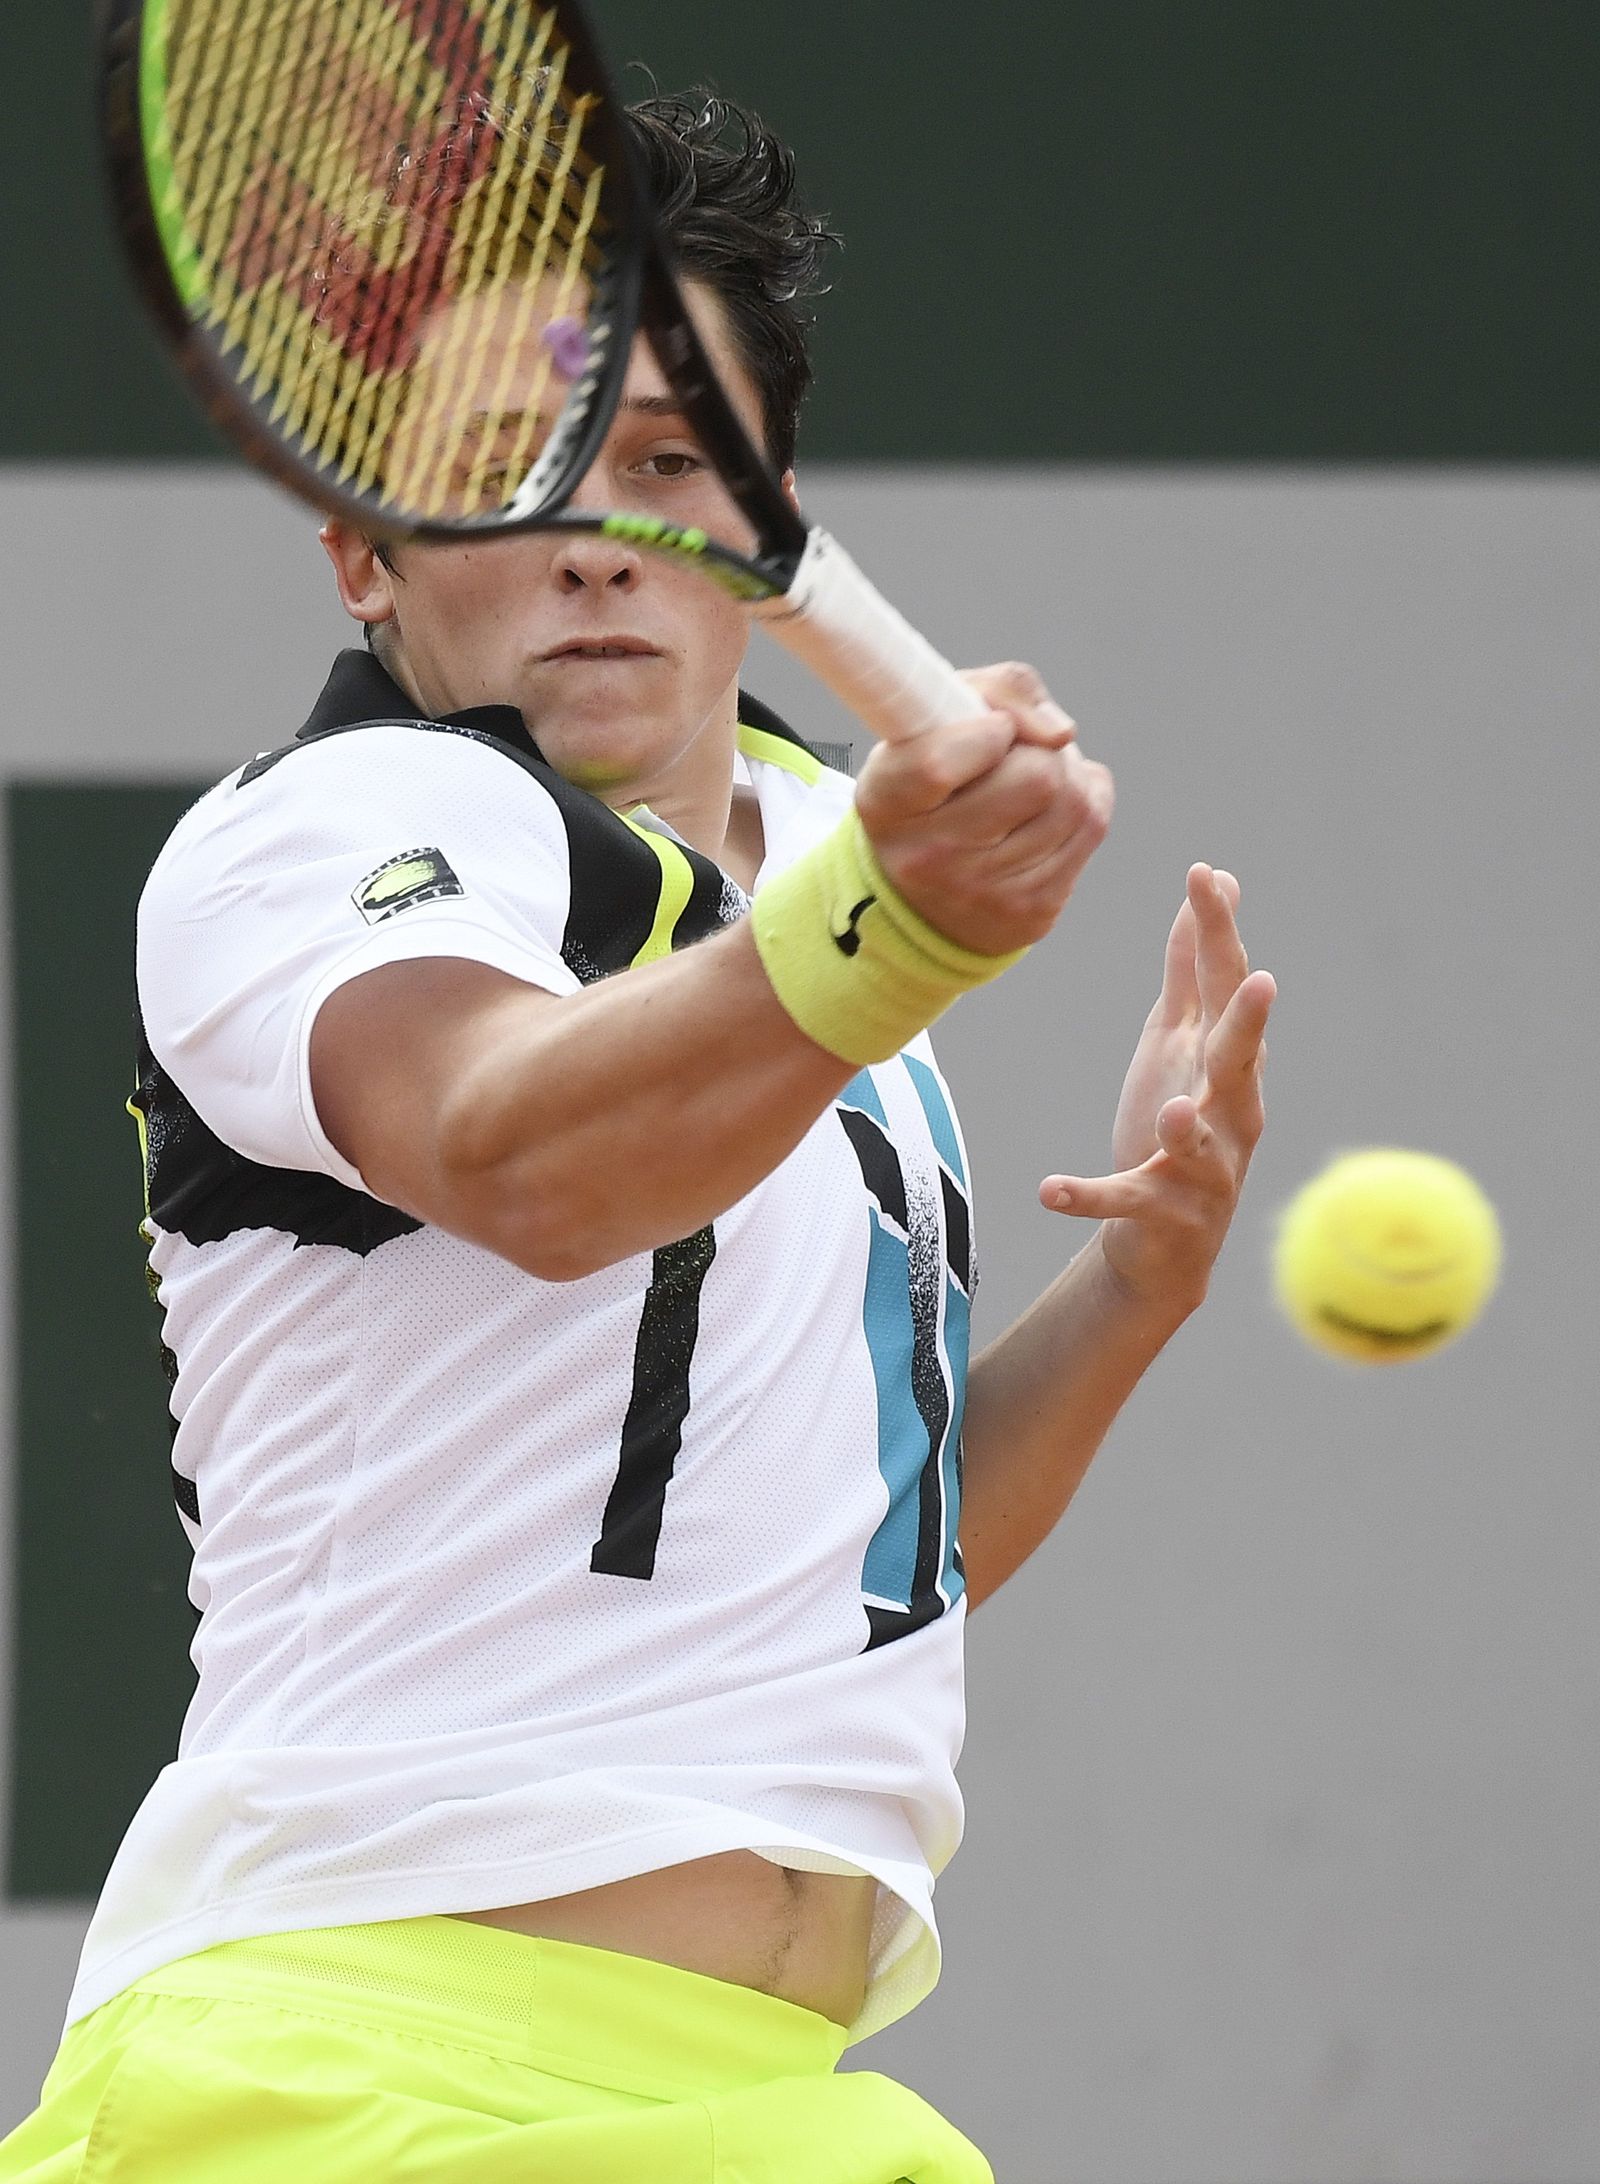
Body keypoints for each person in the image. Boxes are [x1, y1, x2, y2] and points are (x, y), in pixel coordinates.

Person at [0, 92, 1273, 2184]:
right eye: (506, 479)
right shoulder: (326, 838)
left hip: (756, 2100)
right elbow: (515, 1157)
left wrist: (1132, 1287)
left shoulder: (819, 909)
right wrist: (881, 936)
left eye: (668, 467)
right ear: (362, 557)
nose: (597, 537)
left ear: (764, 531)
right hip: (361, 2075)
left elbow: (857, 1573)